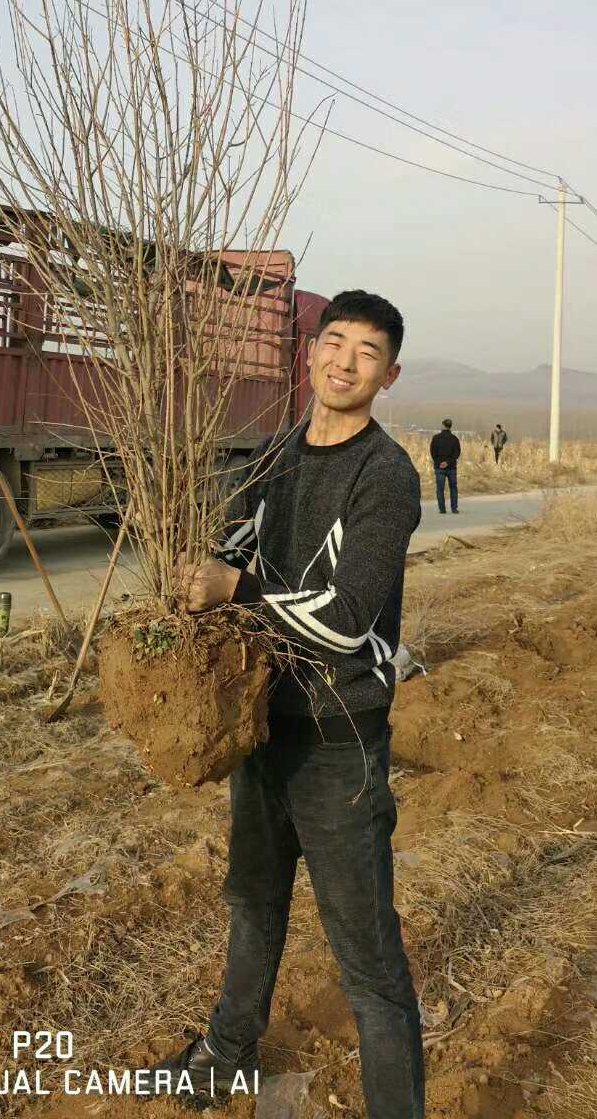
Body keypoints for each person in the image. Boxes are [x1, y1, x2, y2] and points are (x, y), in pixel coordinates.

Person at [166, 290, 426, 1119]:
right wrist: (197, 562)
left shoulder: (386, 477)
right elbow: (239, 544)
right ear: (310, 351)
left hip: (338, 739)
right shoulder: (277, 451)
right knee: (252, 900)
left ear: (389, 375)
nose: (344, 362)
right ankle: (226, 1056)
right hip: (262, 726)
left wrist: (236, 585)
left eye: (366, 352)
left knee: (368, 960)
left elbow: (347, 624)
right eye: (333, 342)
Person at [429, 417, 460, 514]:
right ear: (450, 427)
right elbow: (457, 453)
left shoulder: (436, 438)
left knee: (440, 489)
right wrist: (448, 462)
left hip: (439, 467)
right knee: (453, 488)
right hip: (451, 467)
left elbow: (433, 452)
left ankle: (442, 509)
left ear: (443, 426)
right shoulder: (455, 439)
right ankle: (454, 509)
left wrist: (439, 462)